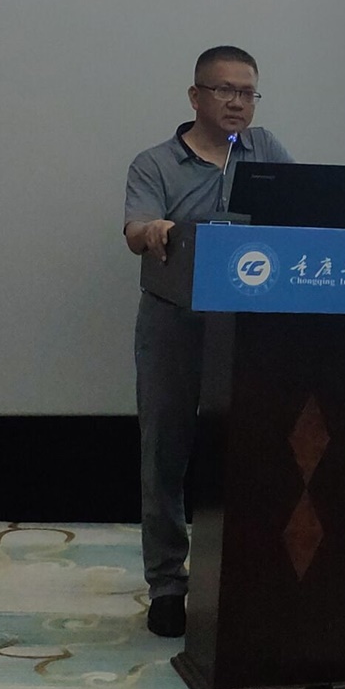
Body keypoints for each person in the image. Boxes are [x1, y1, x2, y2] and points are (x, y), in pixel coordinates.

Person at [124, 45, 293, 637]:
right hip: (176, 323)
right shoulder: (155, 163)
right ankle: (168, 585)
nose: (237, 103)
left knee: (251, 452)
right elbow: (136, 229)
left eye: (247, 93)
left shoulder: (264, 149)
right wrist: (153, 229)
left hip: (249, 327)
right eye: (225, 90)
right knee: (165, 455)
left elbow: (309, 208)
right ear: (196, 96)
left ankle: (240, 576)